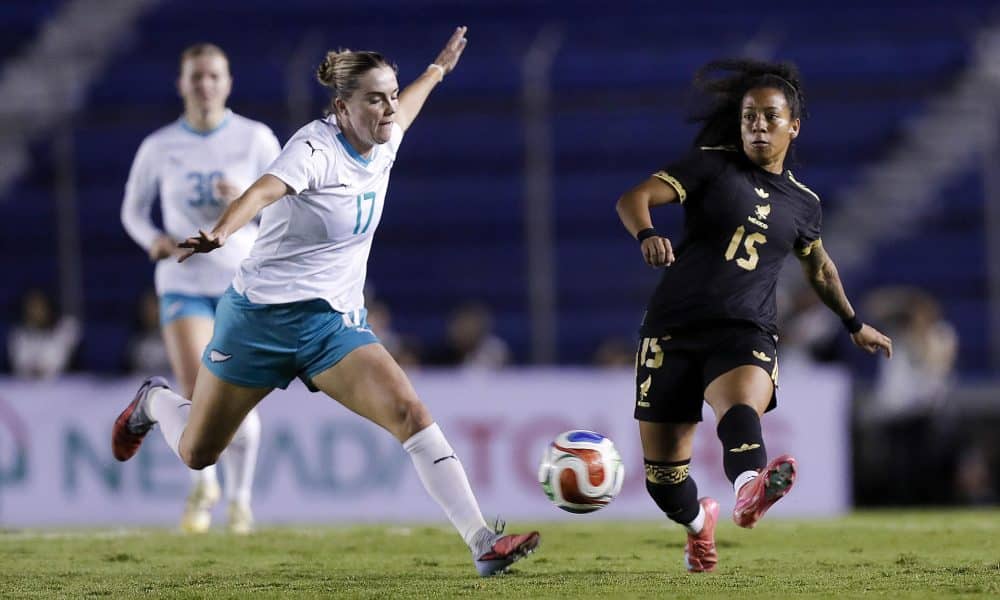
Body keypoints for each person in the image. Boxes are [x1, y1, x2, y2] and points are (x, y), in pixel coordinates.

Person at [112, 27, 539, 576]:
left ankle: (482, 540)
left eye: (390, 94)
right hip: (258, 321)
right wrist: (220, 232)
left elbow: (408, 108)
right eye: (374, 98)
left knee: (409, 413)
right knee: (199, 453)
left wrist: (436, 70)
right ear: (342, 106)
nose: (388, 108)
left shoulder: (386, 133)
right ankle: (153, 402)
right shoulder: (314, 149)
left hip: (331, 326)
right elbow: (263, 190)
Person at [615, 59, 893, 573]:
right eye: (749, 117)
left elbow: (821, 270)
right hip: (671, 328)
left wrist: (854, 323)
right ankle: (700, 525)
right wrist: (648, 232)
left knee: (740, 405)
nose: (758, 126)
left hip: (745, 328)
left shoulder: (804, 204)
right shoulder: (710, 164)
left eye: (769, 117)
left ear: (794, 126)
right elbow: (633, 199)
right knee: (663, 481)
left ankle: (750, 490)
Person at [120, 43, 281, 534]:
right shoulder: (160, 145)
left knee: (238, 396)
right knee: (199, 391)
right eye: (196, 77)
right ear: (181, 84)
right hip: (183, 281)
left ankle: (238, 499)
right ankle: (209, 482)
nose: (205, 86)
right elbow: (131, 211)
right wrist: (155, 240)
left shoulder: (256, 139)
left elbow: (291, 209)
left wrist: (246, 200)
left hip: (242, 282)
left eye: (213, 76)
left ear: (228, 82)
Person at [7, 288, 80, 379]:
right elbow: (19, 362)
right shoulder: (18, 333)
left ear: (48, 307)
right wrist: (31, 370)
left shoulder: (66, 327)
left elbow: (62, 359)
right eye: (31, 308)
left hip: (62, 383)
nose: (35, 312)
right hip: (27, 384)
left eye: (39, 307)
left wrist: (46, 369)